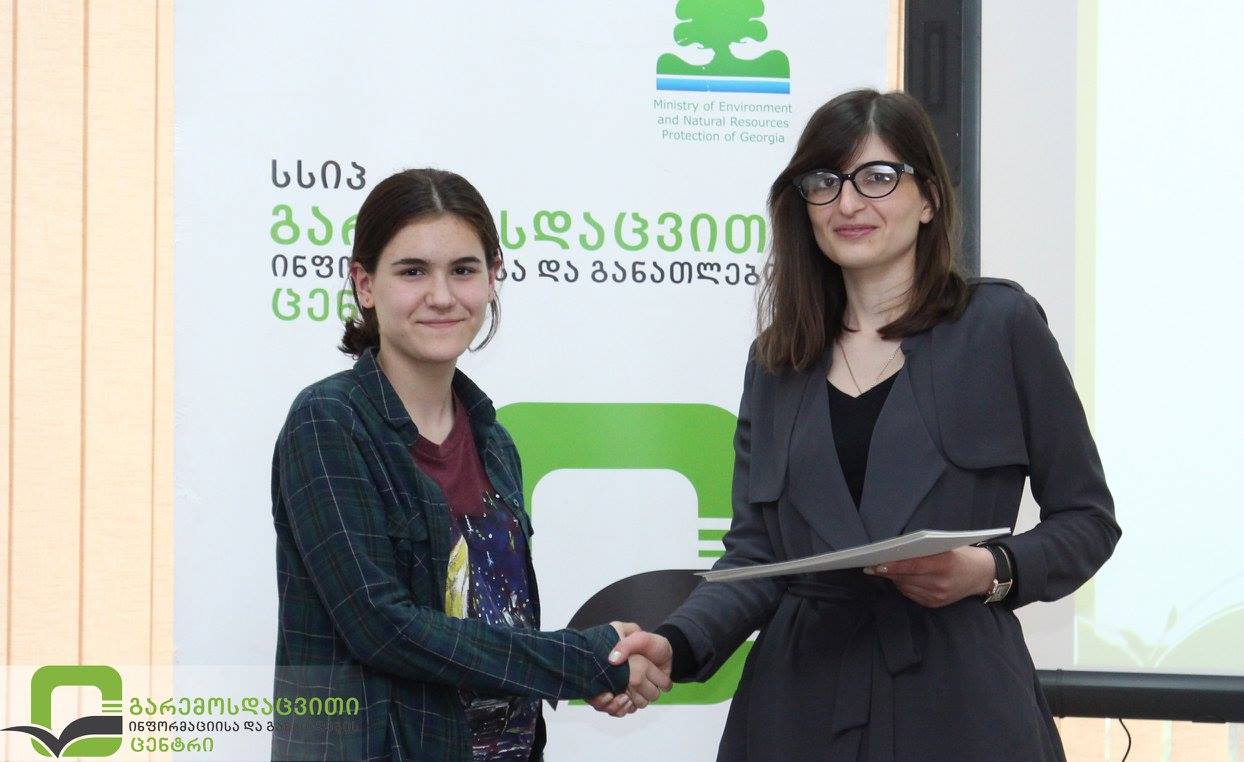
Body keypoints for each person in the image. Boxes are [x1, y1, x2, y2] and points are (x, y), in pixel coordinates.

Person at [596, 90, 1121, 761]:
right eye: (825, 182)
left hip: (962, 700)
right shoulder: (777, 361)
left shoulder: (1000, 327)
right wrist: (675, 642)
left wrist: (988, 569)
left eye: (877, 177)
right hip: (798, 707)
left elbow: (1087, 520)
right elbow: (756, 556)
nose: (847, 203)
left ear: (929, 199)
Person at [270, 168, 666, 761]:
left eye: (463, 270)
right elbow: (382, 628)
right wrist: (575, 662)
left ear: (492, 278)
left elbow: (496, 624)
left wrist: (598, 667)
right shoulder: (329, 421)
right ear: (365, 284)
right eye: (413, 271)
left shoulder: (494, 443)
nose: (442, 295)